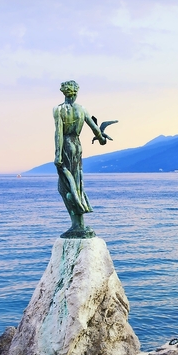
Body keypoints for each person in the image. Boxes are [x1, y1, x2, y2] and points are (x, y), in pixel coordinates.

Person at [53, 80, 113, 238]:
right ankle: (80, 223)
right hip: (78, 146)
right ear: (76, 92)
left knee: (64, 187)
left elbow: (59, 133)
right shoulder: (82, 109)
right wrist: (102, 139)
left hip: (66, 146)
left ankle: (76, 224)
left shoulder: (59, 110)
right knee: (77, 182)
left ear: (64, 92)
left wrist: (58, 155)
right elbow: (96, 131)